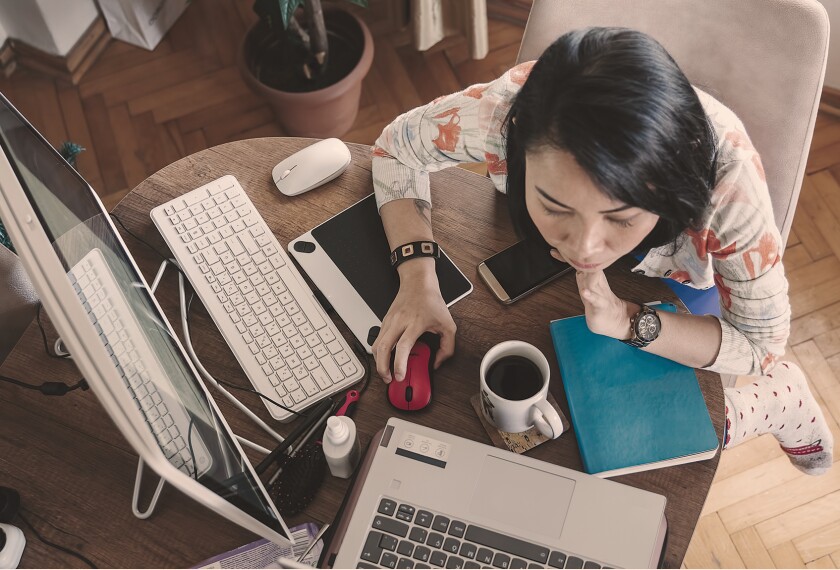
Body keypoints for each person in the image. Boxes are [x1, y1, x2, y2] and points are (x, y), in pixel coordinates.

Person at [369, 27, 833, 475]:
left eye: (620, 217)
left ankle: (775, 403)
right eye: (554, 205)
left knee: (633, 438)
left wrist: (629, 320)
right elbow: (394, 149)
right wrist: (417, 278)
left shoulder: (729, 188)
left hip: (676, 282)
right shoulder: (499, 113)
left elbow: (759, 346)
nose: (584, 249)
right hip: (524, 250)